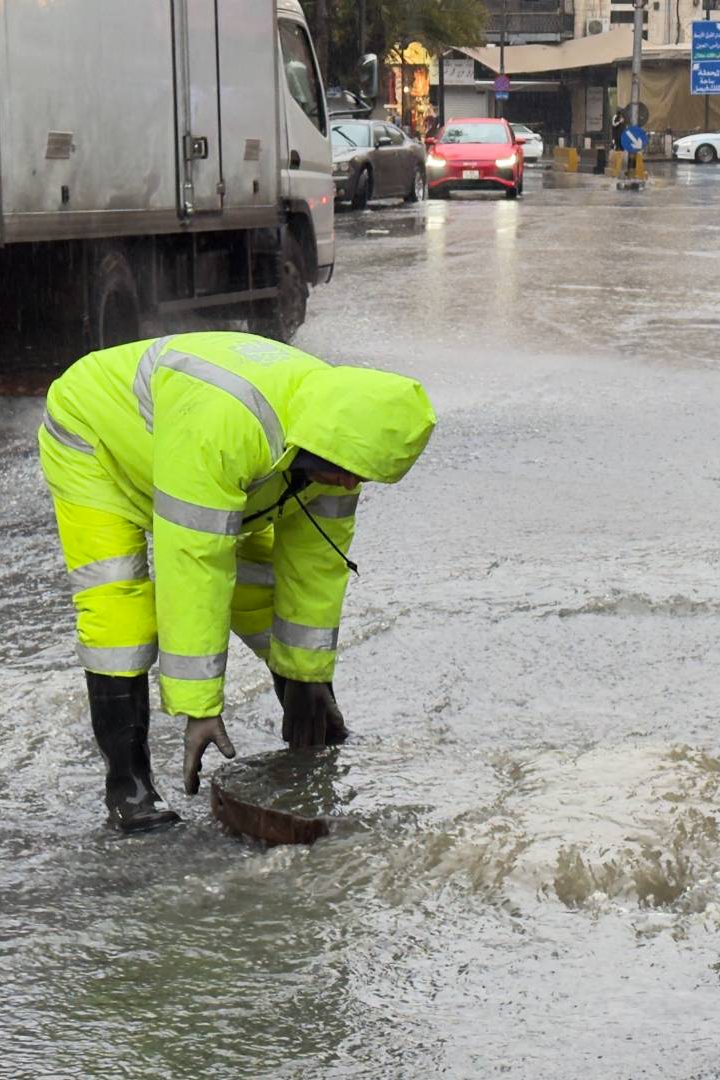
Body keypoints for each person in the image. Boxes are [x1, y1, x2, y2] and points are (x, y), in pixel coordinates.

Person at [38, 332, 436, 830]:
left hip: (223, 469)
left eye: (364, 476)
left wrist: (308, 682)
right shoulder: (227, 425)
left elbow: (313, 572)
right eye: (347, 472)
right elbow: (194, 563)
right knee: (120, 610)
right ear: (323, 442)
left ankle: (302, 700)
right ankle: (129, 785)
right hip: (99, 444)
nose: (351, 484)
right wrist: (200, 709)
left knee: (259, 590)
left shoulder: (344, 442)